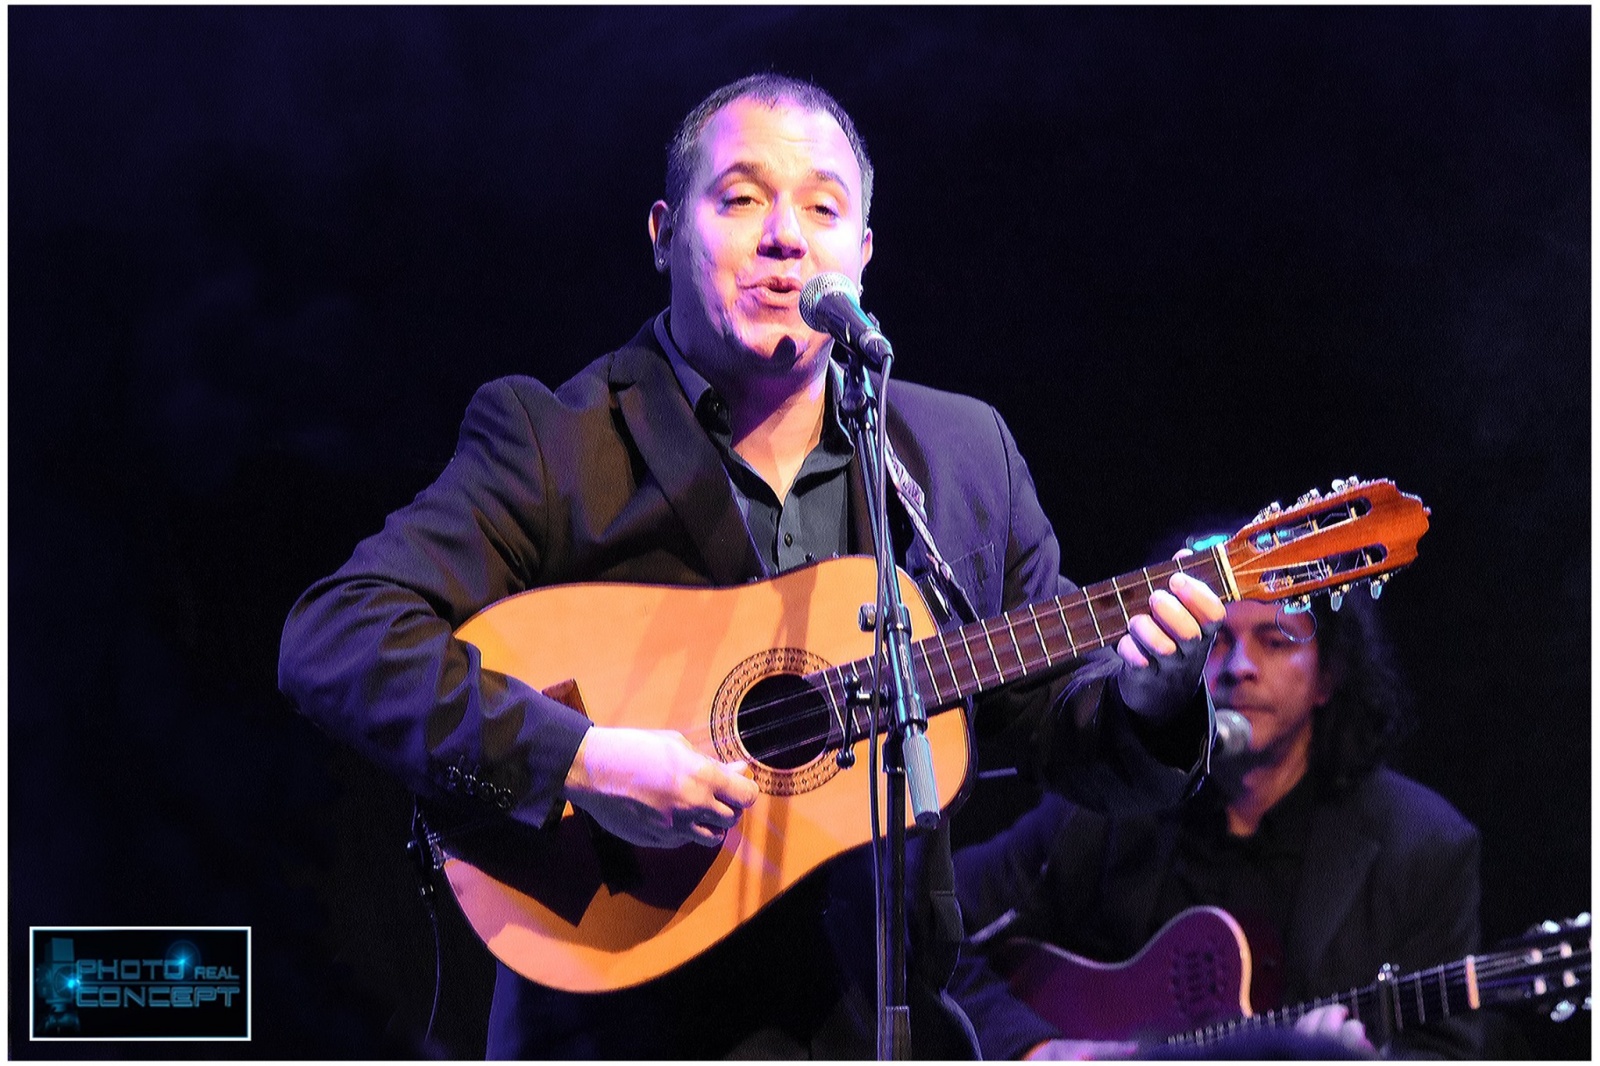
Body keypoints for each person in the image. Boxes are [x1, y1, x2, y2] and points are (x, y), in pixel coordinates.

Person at [278, 73, 1227, 1059]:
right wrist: (584, 758)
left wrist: (1152, 701)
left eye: (823, 208)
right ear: (662, 233)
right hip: (622, 1036)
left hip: (881, 1029)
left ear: (862, 253)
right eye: (740, 198)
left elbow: (1054, 724)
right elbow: (336, 638)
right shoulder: (556, 441)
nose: (784, 237)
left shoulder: (961, 456)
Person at [948, 575, 1484, 1059]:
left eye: (1276, 641)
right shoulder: (1103, 812)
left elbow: (1447, 1051)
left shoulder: (1424, 846)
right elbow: (931, 925)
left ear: (1329, 675)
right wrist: (1033, 1047)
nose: (1238, 667)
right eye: (1217, 641)